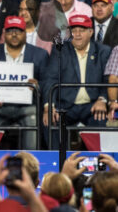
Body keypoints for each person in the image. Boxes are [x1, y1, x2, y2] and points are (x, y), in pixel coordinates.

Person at [43, 14, 111, 148]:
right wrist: (49, 106)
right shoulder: (60, 49)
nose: (77, 35)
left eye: (82, 30)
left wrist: (102, 99)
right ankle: (60, 163)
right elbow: (50, 78)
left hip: (91, 105)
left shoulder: (103, 51)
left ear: (91, 32)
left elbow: (108, 79)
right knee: (51, 120)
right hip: (65, 105)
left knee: (100, 119)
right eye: (74, 31)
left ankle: (95, 163)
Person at [0, 16, 48, 149]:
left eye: (19, 31)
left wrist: (37, 85)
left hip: (27, 107)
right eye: (11, 31)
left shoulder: (40, 55)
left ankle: (30, 161)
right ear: (4, 33)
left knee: (32, 118)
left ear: (25, 34)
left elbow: (47, 82)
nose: (14, 35)